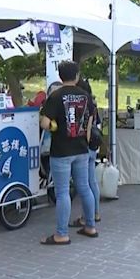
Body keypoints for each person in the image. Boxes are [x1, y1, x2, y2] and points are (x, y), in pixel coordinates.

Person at [40, 61, 97, 245]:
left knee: (63, 192)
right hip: (81, 149)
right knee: (84, 188)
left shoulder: (56, 96)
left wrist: (53, 126)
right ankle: (90, 226)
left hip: (61, 151)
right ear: (77, 76)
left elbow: (44, 123)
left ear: (60, 76)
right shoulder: (87, 97)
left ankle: (62, 234)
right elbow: (89, 124)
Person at [69, 78, 101, 227]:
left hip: (84, 146)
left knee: (84, 185)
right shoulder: (93, 105)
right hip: (94, 146)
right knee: (92, 181)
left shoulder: (79, 105)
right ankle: (96, 213)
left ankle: (86, 217)